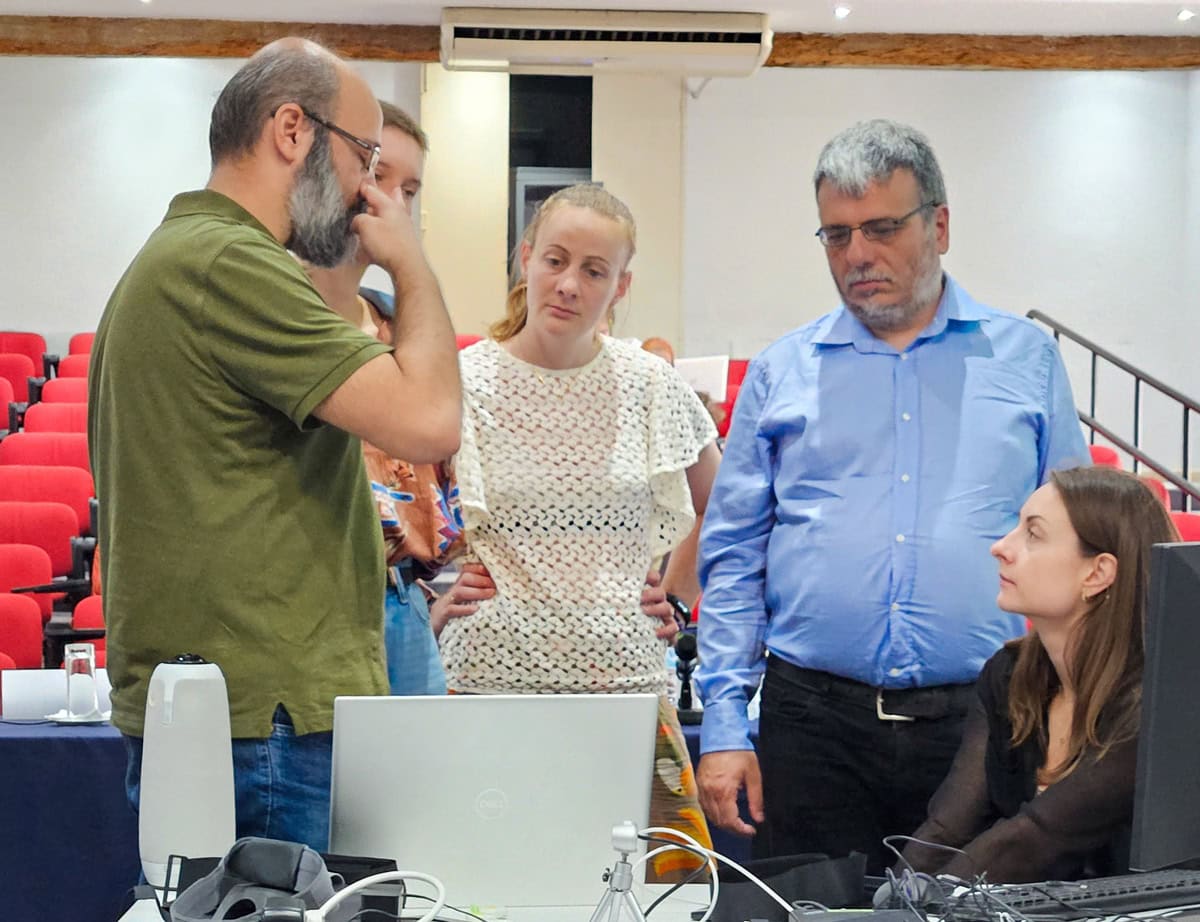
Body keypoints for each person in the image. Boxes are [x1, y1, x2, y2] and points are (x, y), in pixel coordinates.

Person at [88, 38, 461, 851]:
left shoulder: (185, 254)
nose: (368, 190)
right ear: (292, 131)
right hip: (265, 718)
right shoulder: (231, 263)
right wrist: (410, 263)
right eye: (363, 156)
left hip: (237, 712)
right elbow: (431, 419)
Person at [695, 118, 1090, 871]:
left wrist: (1074, 712)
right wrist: (721, 726)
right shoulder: (783, 372)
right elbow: (735, 558)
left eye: (881, 228)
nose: (857, 255)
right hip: (812, 729)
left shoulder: (1026, 362)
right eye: (836, 235)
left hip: (987, 723)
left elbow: (1077, 548)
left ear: (939, 226)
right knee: (809, 914)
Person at [437, 183, 722, 877]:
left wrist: (676, 595)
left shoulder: (651, 385)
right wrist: (429, 607)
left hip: (625, 689)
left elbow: (726, 505)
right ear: (525, 258)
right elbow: (393, 513)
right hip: (489, 684)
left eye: (594, 270)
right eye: (555, 260)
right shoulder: (461, 380)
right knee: (488, 888)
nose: (568, 284)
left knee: (653, 895)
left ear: (620, 285)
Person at [898, 467, 1177, 882]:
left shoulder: (1156, 701)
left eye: (1033, 534)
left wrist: (924, 904)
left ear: (1097, 573)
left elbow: (1034, 839)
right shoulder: (1008, 673)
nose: (1000, 548)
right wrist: (896, 897)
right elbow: (946, 829)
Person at [306, 101, 463, 696]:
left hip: (402, 601)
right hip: (315, 605)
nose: (394, 204)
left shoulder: (402, 323)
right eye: (377, 175)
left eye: (410, 190)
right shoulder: (282, 314)